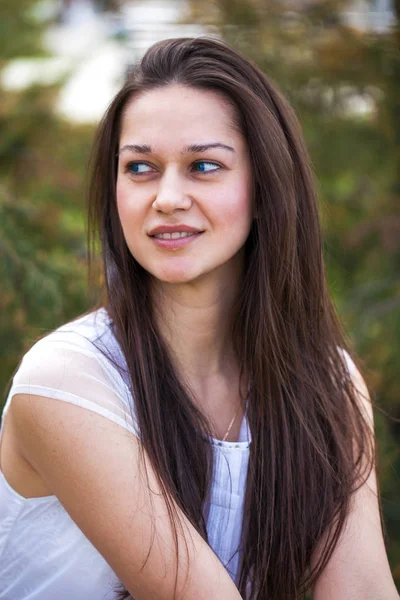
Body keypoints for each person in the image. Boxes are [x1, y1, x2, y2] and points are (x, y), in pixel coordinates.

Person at [0, 37, 398, 600]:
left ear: (264, 188)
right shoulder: (67, 383)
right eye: (139, 167)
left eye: (203, 166)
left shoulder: (326, 383)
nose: (166, 197)